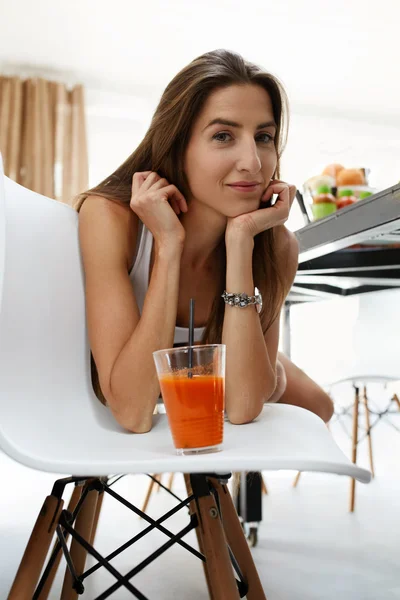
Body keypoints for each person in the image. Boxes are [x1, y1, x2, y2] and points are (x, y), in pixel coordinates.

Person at [75, 49, 334, 433]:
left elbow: (243, 408)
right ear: (178, 146)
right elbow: (132, 412)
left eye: (263, 136)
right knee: (273, 383)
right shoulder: (111, 218)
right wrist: (167, 245)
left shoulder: (276, 245)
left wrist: (242, 240)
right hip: (144, 381)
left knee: (320, 408)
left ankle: (270, 369)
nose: (253, 162)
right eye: (223, 136)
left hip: (230, 369)